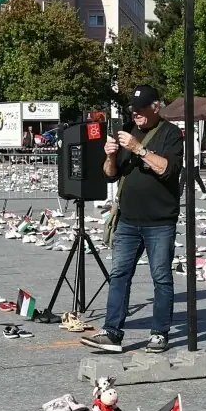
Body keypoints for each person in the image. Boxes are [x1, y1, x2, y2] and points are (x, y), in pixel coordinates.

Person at [83, 85, 183, 355]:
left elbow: (168, 169)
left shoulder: (171, 134)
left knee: (161, 277)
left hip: (160, 221)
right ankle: (112, 332)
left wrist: (138, 148)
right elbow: (110, 175)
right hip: (128, 219)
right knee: (119, 275)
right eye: (133, 109)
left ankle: (159, 333)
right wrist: (111, 155)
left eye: (141, 109)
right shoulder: (126, 130)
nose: (136, 114)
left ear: (155, 107)